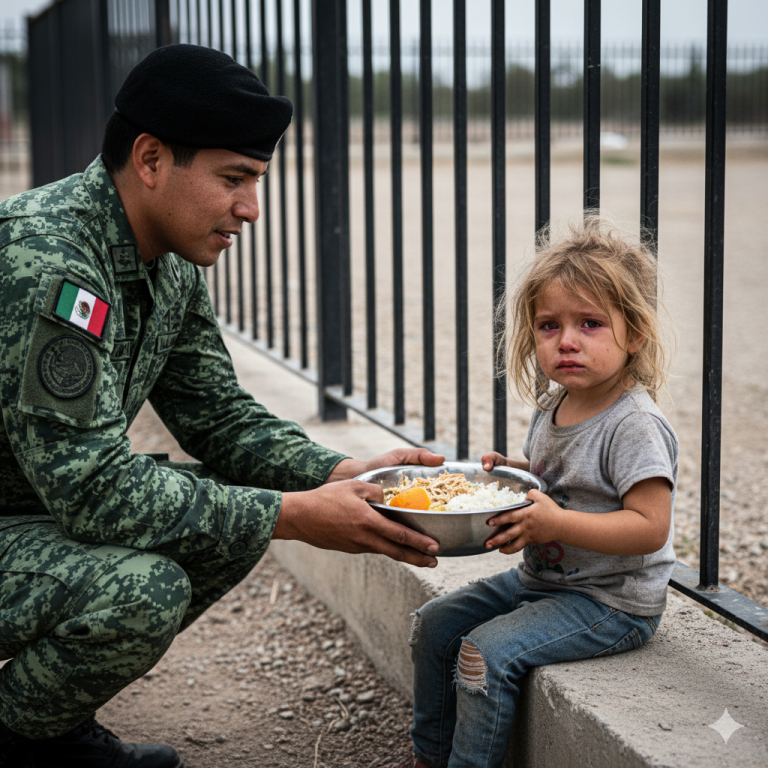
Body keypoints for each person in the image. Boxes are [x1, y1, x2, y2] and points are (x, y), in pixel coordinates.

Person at [0, 45, 442, 768]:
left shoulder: (163, 260)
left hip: (23, 508)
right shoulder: (48, 262)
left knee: (229, 522)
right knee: (144, 590)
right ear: (150, 159)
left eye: (256, 180)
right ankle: (21, 739)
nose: (251, 208)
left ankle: (48, 722)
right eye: (233, 179)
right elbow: (92, 489)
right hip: (31, 510)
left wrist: (336, 471)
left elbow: (218, 414)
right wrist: (291, 514)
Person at [383, 216, 678, 768]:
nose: (566, 340)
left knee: (484, 653)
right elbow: (566, 481)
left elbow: (650, 525)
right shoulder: (556, 404)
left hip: (610, 602)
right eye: (549, 326)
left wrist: (556, 524)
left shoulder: (633, 424)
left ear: (634, 332)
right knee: (435, 625)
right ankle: (428, 755)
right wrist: (514, 472)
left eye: (590, 323)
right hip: (543, 579)